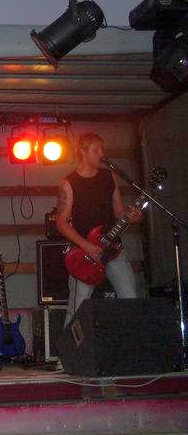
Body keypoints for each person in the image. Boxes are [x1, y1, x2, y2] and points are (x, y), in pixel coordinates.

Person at [56, 132, 143, 327]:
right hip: (86, 253)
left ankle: (132, 341)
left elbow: (119, 211)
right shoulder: (68, 183)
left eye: (102, 149)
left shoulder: (109, 177)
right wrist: (86, 245)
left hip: (113, 249)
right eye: (96, 150)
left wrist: (132, 217)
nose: (101, 154)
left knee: (130, 298)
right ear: (82, 151)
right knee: (77, 309)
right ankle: (68, 347)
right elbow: (61, 223)